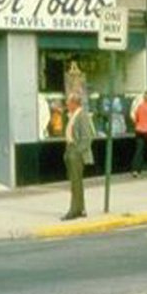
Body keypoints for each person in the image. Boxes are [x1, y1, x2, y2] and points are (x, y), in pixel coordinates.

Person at [62, 92, 95, 220]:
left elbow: (87, 138)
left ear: (75, 103)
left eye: (68, 102)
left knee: (75, 182)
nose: (66, 104)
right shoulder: (72, 115)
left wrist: (77, 151)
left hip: (76, 152)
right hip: (70, 150)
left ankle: (74, 210)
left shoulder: (82, 116)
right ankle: (80, 208)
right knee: (76, 182)